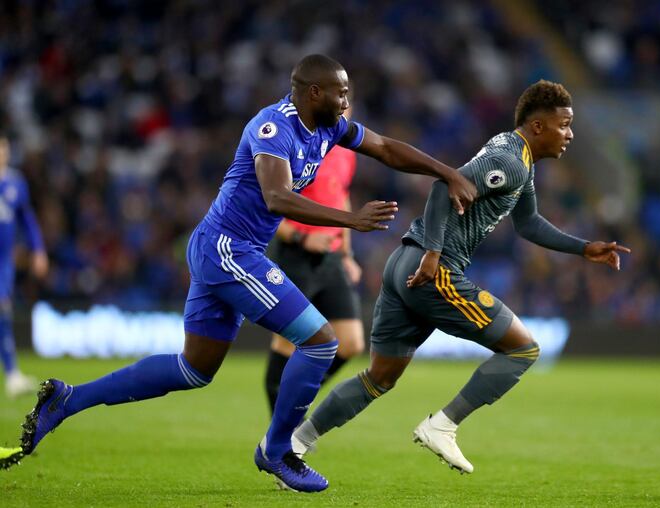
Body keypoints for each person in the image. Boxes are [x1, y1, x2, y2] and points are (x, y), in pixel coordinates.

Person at [10, 55, 477, 492]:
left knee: (194, 370)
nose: (347, 101)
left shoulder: (328, 127)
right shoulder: (273, 127)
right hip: (228, 249)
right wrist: (350, 220)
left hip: (226, 249)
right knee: (320, 342)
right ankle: (277, 452)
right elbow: (277, 197)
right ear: (314, 92)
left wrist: (446, 173)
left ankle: (67, 400)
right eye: (341, 92)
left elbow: (387, 148)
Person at [291, 80, 631, 475]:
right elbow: (443, 186)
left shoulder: (515, 155)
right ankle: (443, 425)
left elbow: (529, 224)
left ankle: (293, 443)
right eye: (564, 124)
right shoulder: (509, 162)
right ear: (538, 127)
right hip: (433, 269)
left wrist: (583, 247)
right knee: (523, 349)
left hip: (405, 262)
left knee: (379, 378)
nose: (570, 134)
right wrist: (435, 254)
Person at [264, 110, 364, 413]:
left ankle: (294, 400)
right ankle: (279, 436)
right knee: (287, 344)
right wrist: (301, 237)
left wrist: (347, 253)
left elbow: (341, 196)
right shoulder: (293, 144)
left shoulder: (345, 151)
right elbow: (268, 201)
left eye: (346, 100)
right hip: (296, 256)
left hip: (332, 259)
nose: (342, 108)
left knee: (351, 343)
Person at [0, 131, 48, 399]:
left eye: (3, 148)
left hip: (3, 260)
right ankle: (11, 374)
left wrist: (38, 250)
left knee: (3, 307)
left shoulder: (16, 183)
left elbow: (27, 220)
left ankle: (12, 374)